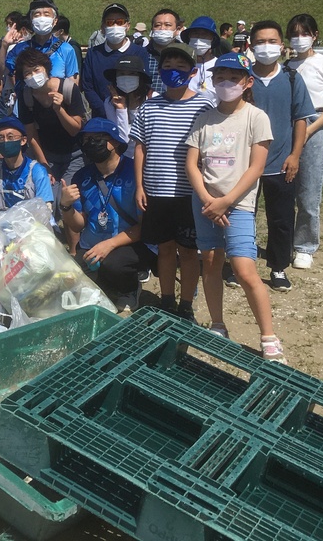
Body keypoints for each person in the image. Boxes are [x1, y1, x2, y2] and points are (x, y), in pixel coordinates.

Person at [185, 52, 283, 362]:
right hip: (204, 204)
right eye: (220, 76)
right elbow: (192, 163)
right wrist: (206, 199)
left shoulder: (256, 117)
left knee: (244, 269)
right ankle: (217, 324)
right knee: (211, 263)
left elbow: (256, 168)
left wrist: (226, 201)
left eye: (233, 77)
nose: (225, 82)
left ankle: (268, 336)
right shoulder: (204, 117)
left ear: (247, 81)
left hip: (238, 205)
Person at [130, 42, 215, 321]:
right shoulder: (149, 106)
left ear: (192, 72)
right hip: (156, 191)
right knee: (165, 250)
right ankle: (167, 300)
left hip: (189, 193)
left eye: (180, 67)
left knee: (189, 253)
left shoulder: (204, 105)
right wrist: (140, 186)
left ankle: (186, 304)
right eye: (167, 67)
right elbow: (140, 147)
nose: (173, 72)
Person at [243, 20, 316, 293]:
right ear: (251, 46)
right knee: (243, 216)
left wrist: (295, 155)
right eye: (260, 41)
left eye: (272, 41)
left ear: (281, 46)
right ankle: (241, 264)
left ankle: (277, 267)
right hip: (246, 165)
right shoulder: (242, 78)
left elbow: (300, 119)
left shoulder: (292, 79)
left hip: (281, 163)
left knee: (282, 218)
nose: (266, 47)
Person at [61, 118, 153, 312]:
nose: (92, 143)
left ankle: (130, 288)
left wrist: (108, 245)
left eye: (99, 138)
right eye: (86, 139)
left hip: (130, 242)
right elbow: (78, 225)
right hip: (91, 243)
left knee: (114, 264)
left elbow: (146, 225)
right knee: (68, 275)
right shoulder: (82, 176)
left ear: (116, 142)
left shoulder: (135, 173)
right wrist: (66, 206)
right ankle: (109, 285)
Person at [286, 14, 323, 271]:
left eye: (304, 33)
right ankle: (283, 240)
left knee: (309, 191)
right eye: (294, 34)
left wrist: (309, 130)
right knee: (284, 188)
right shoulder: (286, 66)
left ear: (315, 35)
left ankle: (305, 245)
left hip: (314, 123)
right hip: (287, 124)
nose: (299, 39)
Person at [15, 48, 87, 186]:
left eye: (36, 70)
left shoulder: (68, 88)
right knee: (49, 196)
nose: (33, 76)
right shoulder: (26, 96)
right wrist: (44, 164)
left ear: (46, 69)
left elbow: (75, 129)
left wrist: (59, 110)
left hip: (74, 154)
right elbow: (31, 134)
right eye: (27, 73)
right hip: (47, 154)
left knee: (70, 196)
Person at [80, 3, 150, 117]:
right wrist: (107, 111)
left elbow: (145, 83)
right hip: (102, 117)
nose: (115, 26)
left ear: (127, 26)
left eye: (120, 22)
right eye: (110, 22)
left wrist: (129, 109)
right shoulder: (93, 53)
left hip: (133, 116)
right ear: (103, 27)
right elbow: (88, 87)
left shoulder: (139, 52)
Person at [0, 0, 80, 82]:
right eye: (37, 15)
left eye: (46, 14)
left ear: (55, 21)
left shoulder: (66, 49)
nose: (41, 18)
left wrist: (62, 95)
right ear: (31, 20)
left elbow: (73, 84)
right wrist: (4, 45)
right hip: (25, 95)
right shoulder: (20, 48)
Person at [102, 55, 151, 158]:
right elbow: (123, 139)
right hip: (123, 159)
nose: (126, 77)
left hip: (148, 159)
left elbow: (144, 137)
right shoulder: (110, 103)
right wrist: (121, 109)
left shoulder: (152, 99)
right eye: (121, 74)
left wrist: (133, 109)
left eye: (132, 74)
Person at [181, 16, 222, 98]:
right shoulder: (180, 66)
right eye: (195, 34)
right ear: (189, 37)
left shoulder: (219, 66)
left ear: (212, 39)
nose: (198, 39)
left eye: (204, 35)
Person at [146, 9, 181, 95]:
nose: (162, 28)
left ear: (177, 30)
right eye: (157, 25)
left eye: (167, 25)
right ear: (152, 29)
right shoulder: (141, 54)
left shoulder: (186, 55)